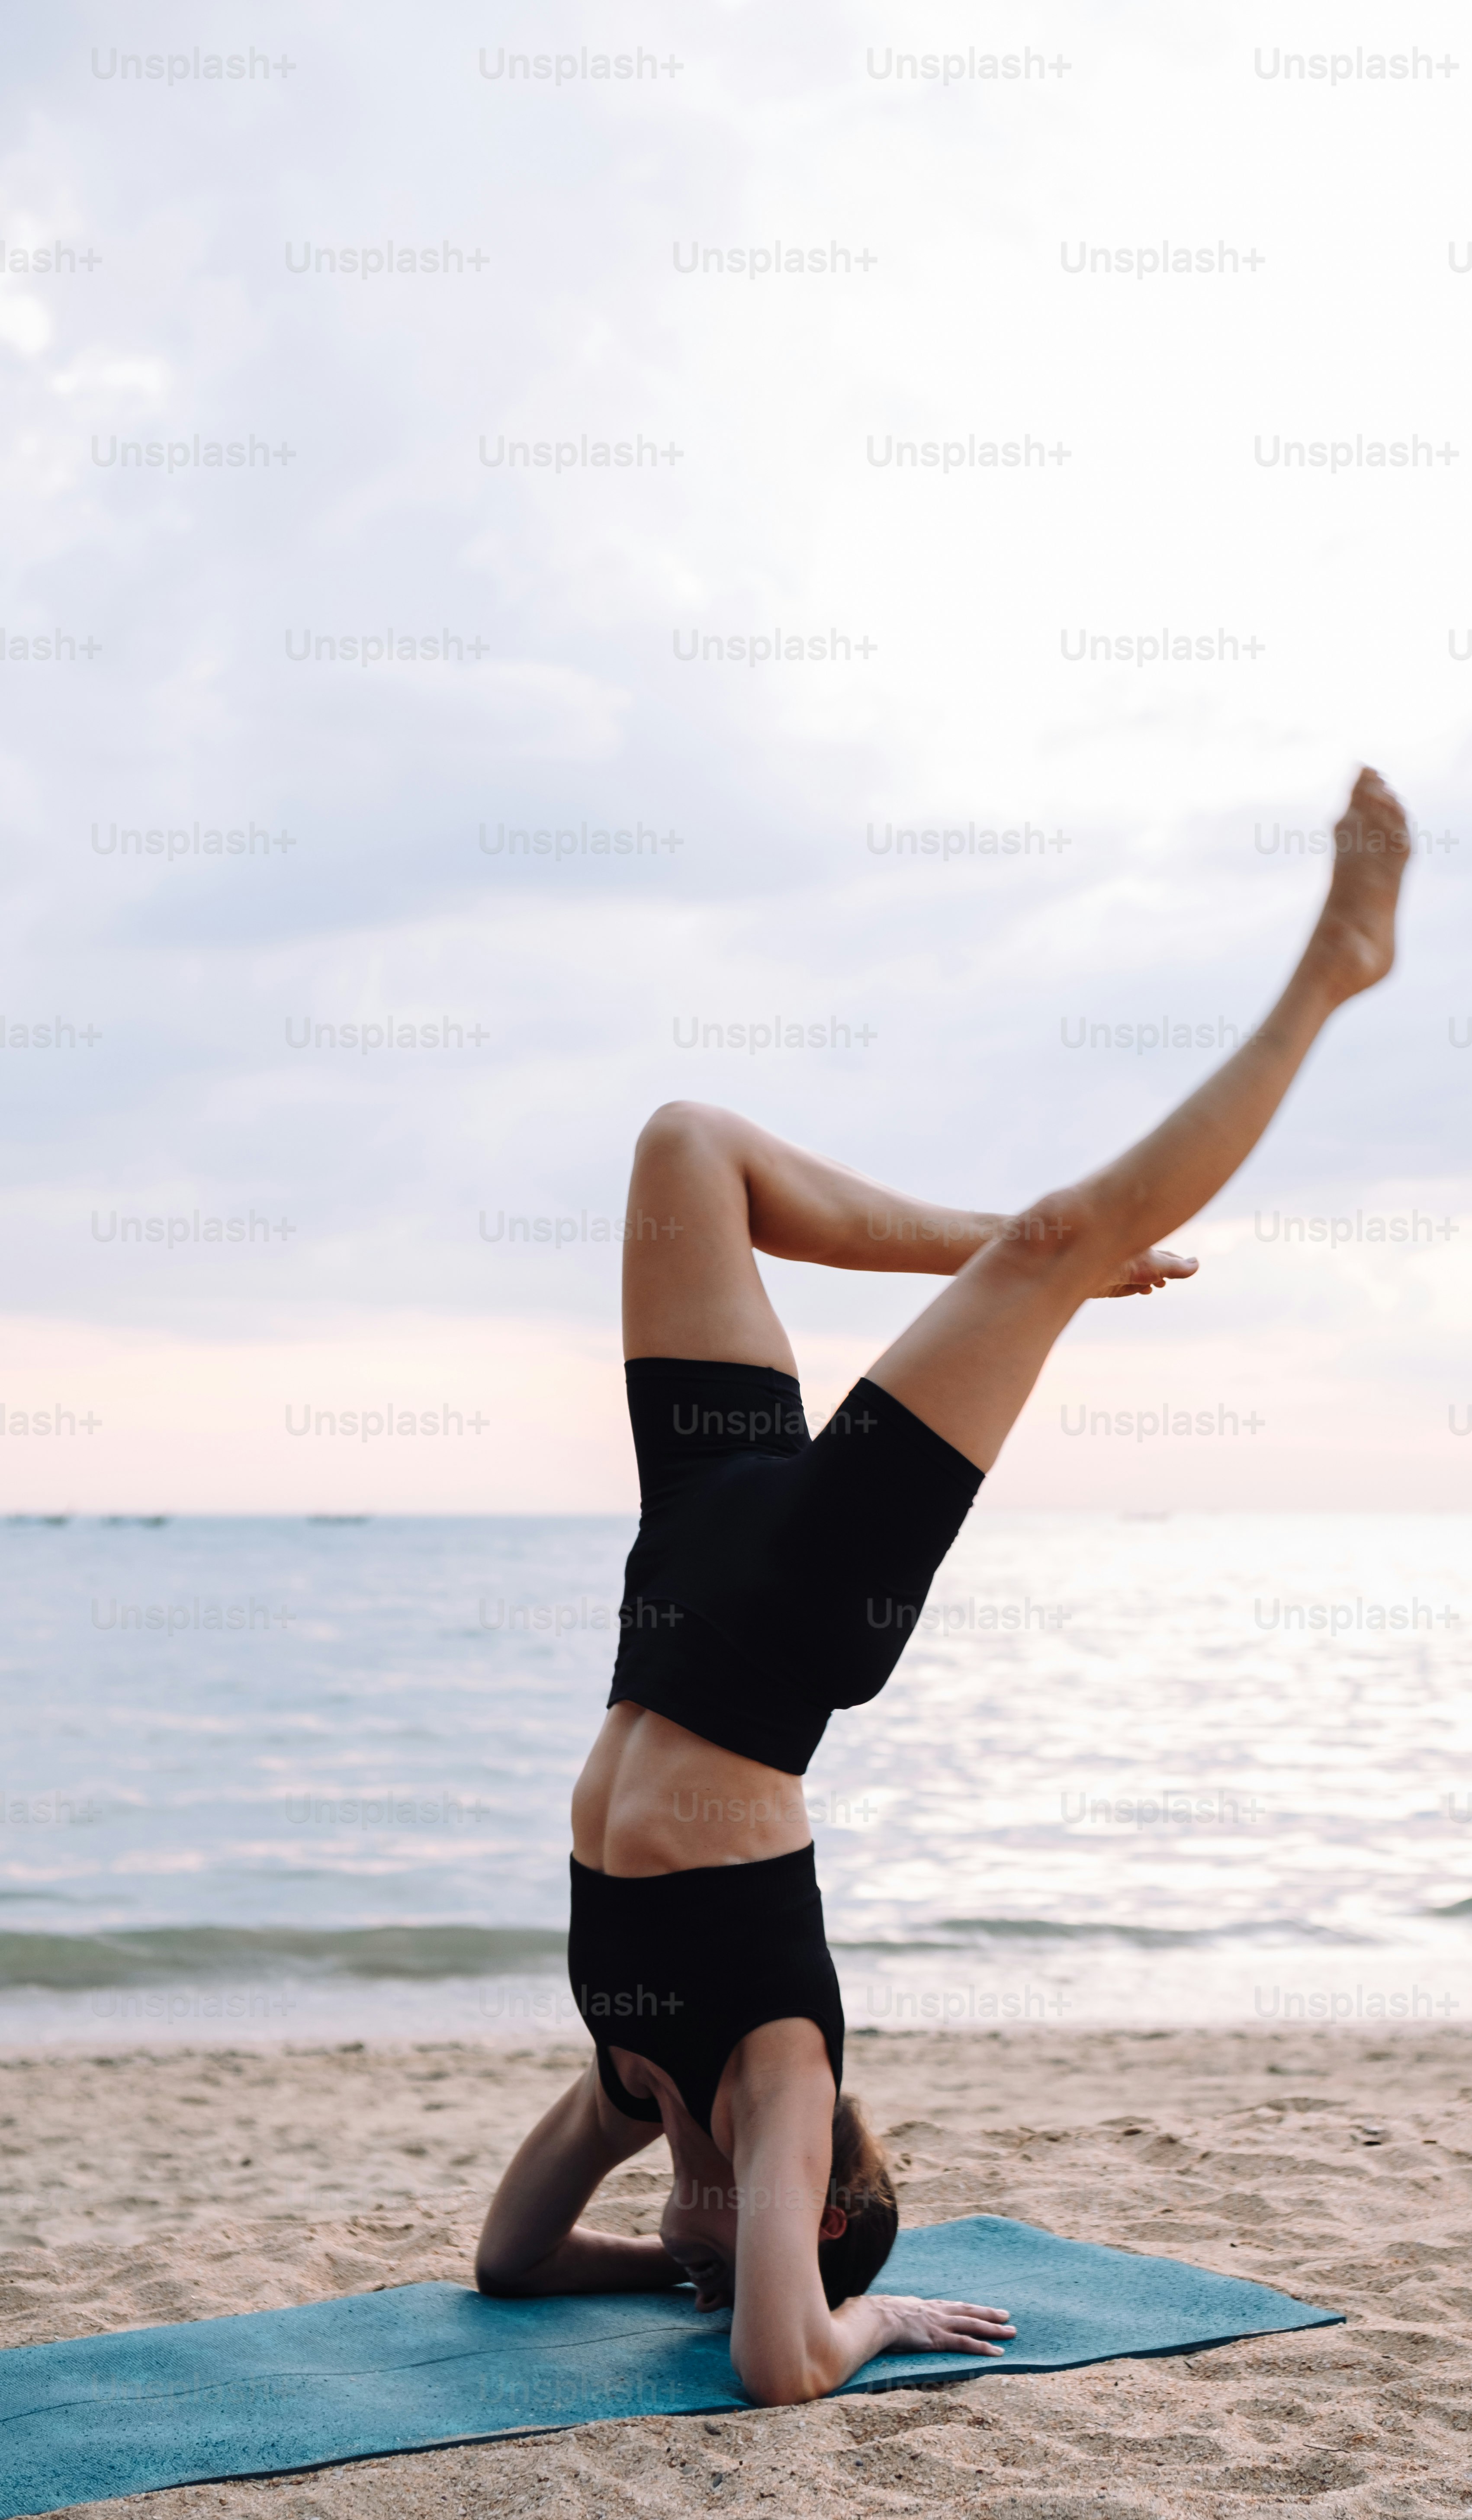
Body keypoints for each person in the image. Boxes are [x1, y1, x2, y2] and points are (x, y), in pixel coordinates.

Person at [477, 766, 1413, 2403]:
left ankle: (1052, 1214)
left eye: (709, 2257)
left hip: (690, 1564)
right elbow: (788, 2360)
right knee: (1048, 1243)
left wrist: (671, 2267)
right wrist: (870, 2321)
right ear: (824, 2202)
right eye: (737, 2247)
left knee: (684, 1141)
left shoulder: (633, 2086)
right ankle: (1332, 976)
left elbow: (512, 2262)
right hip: (791, 1627)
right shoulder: (783, 2073)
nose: (705, 2256)